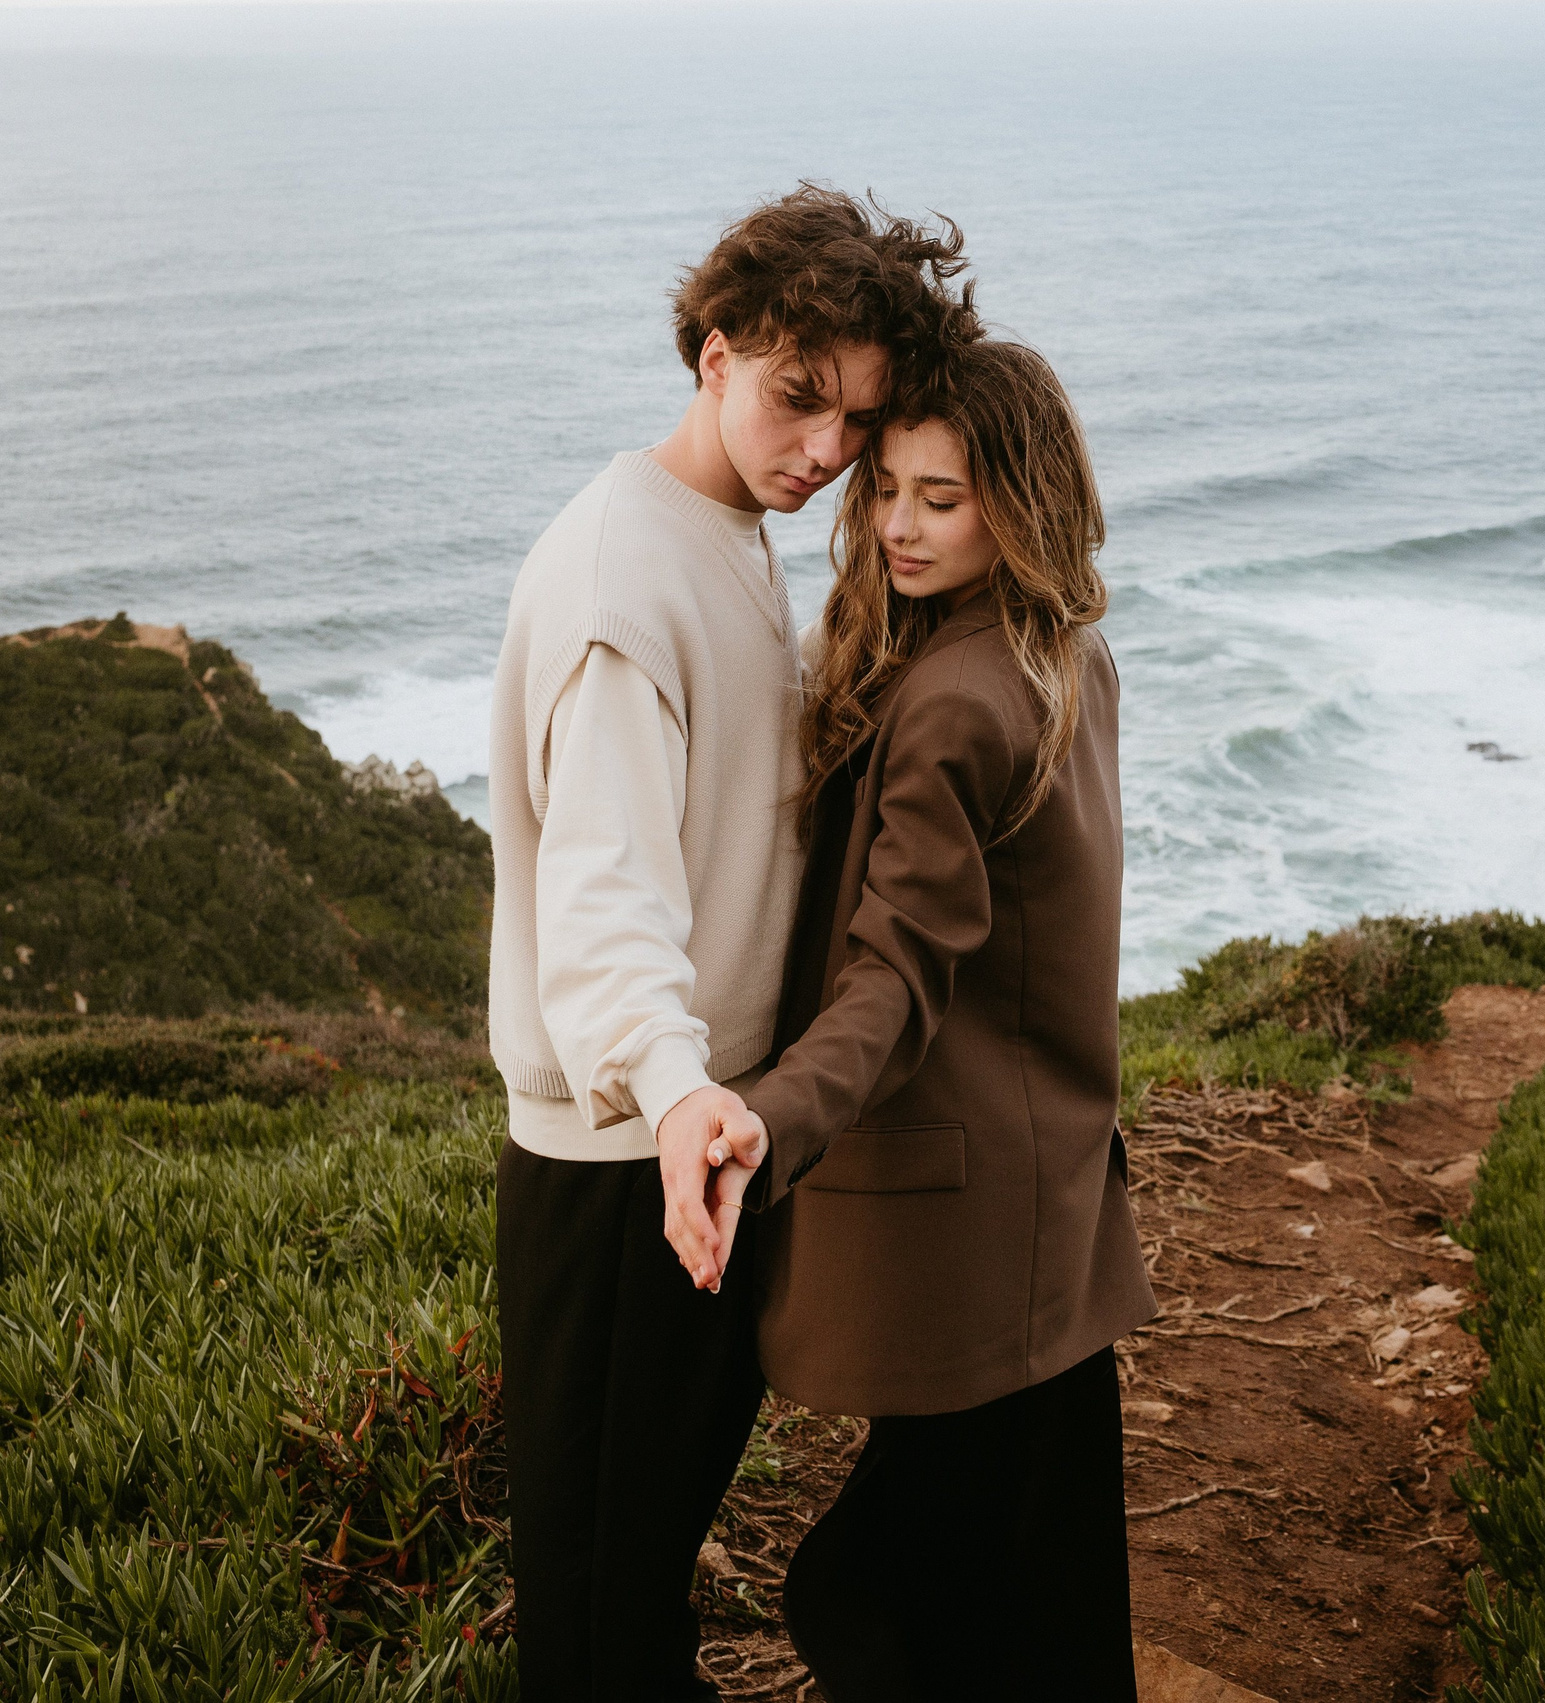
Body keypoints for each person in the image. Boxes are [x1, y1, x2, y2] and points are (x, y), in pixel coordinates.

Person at [485, 184, 970, 1701]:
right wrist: (682, 1088)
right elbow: (607, 894)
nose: (825, 452)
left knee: (639, 1575)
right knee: (597, 1601)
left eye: (855, 420)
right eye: (795, 398)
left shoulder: (724, 525)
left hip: (704, 1138)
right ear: (712, 352)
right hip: (633, 1162)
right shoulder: (625, 586)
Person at [660, 336, 1156, 1700]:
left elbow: (896, 971)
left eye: (943, 498)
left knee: (883, 1602)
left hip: (965, 1222)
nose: (895, 525)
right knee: (1045, 1597)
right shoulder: (1058, 654)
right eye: (887, 488)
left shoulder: (951, 702)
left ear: (1021, 497)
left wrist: (768, 1116)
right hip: (1048, 1187)